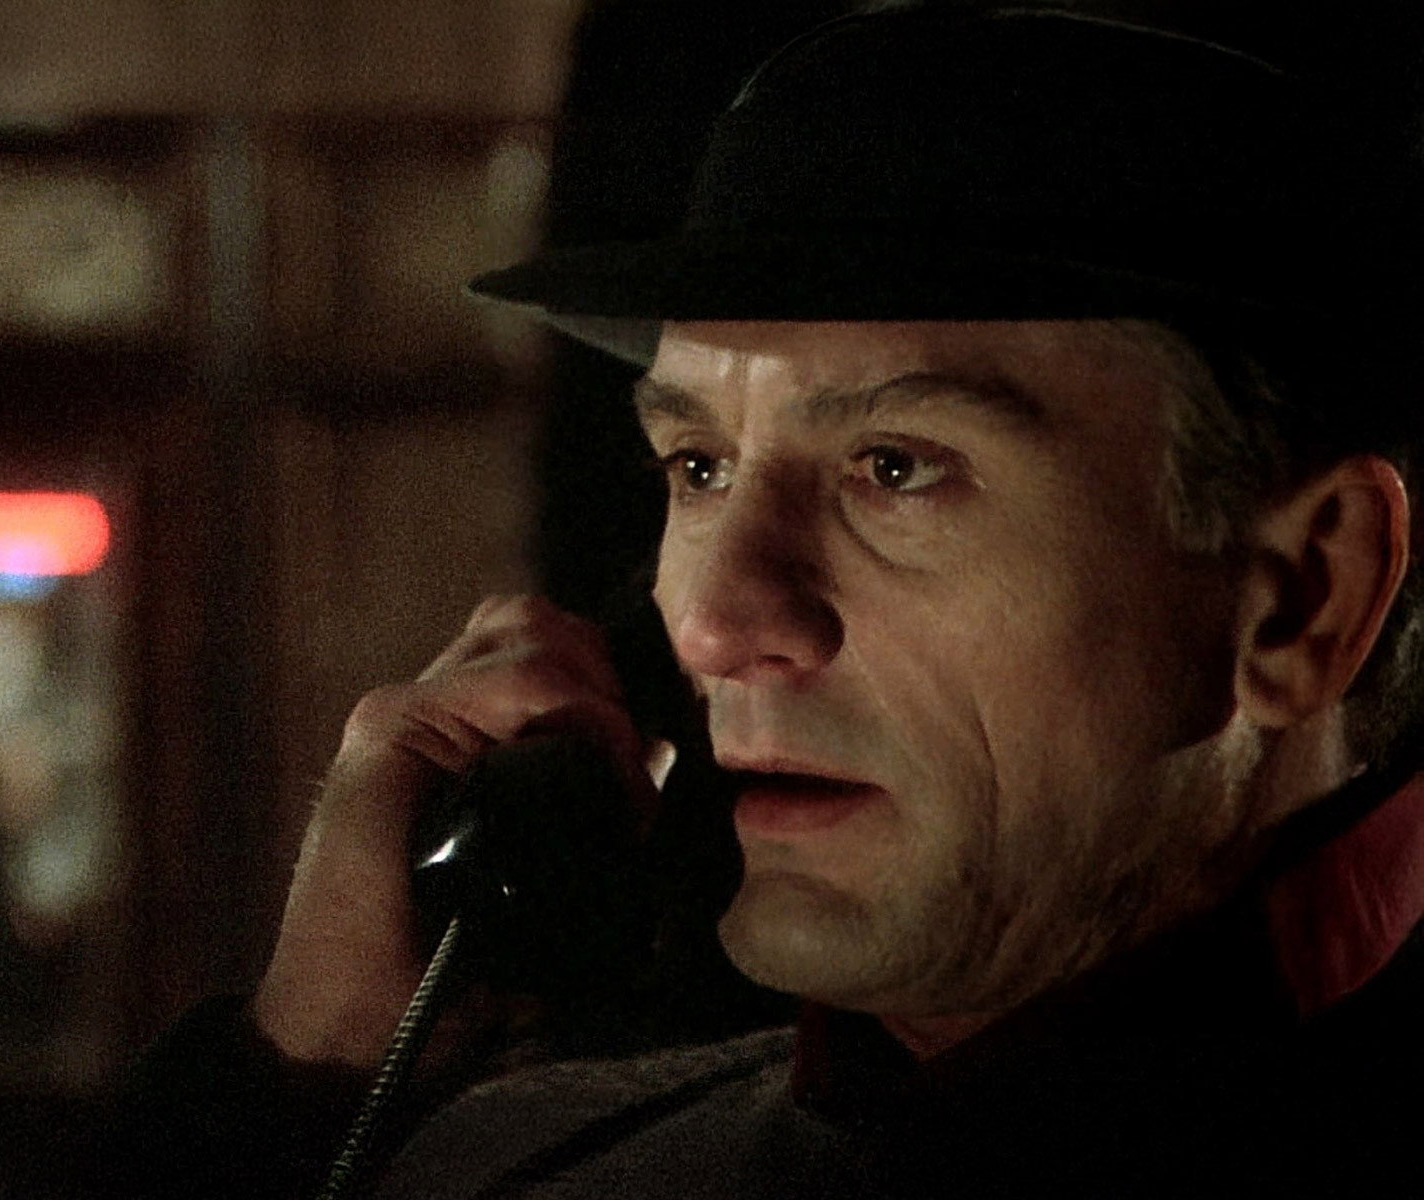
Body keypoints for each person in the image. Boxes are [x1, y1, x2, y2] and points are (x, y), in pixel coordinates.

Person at [122, 6, 1424, 1196]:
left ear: (1304, 595)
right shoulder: (505, 1162)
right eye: (697, 467)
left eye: (895, 468)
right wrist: (302, 1077)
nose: (713, 624)